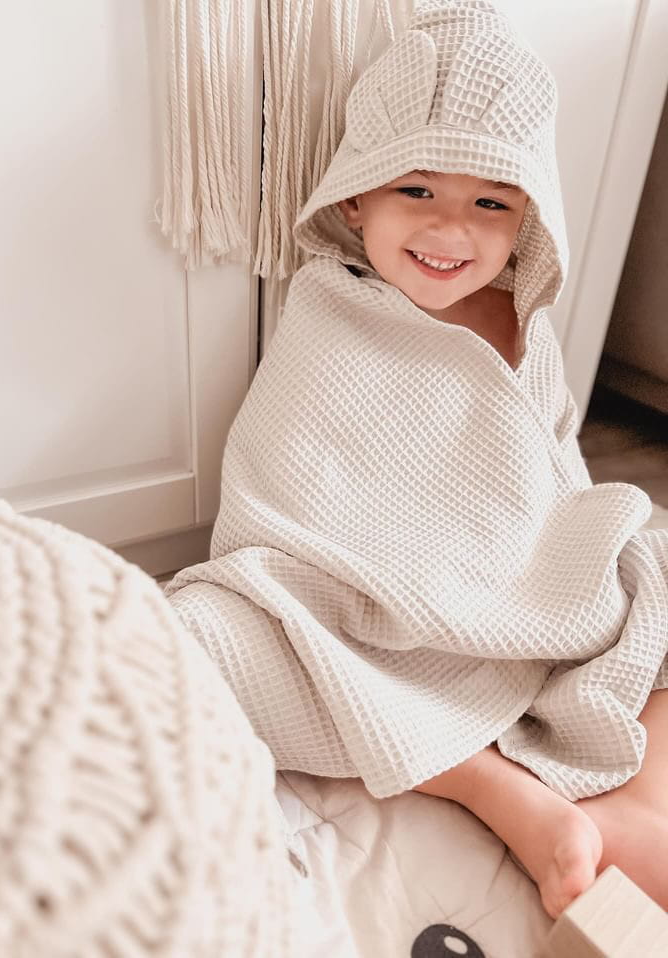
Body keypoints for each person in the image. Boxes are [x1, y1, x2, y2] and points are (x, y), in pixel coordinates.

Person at [165, 0, 668, 920]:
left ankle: (635, 801)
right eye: (417, 191)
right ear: (356, 196)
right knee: (192, 635)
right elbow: (293, 473)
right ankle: (483, 780)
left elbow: (552, 467)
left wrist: (551, 562)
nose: (450, 232)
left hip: (512, 596)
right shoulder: (332, 304)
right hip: (351, 613)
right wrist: (392, 581)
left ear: (528, 216)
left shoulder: (524, 325)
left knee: (657, 560)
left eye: (490, 203)